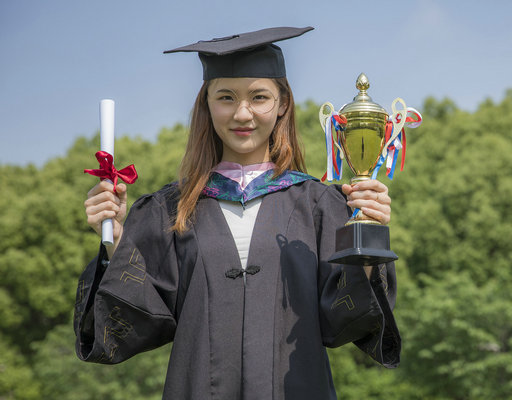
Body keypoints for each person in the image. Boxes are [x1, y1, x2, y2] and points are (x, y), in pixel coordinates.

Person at [75, 26, 401, 399]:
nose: (242, 113)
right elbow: (136, 322)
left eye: (259, 97)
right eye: (226, 97)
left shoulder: (319, 206)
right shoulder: (169, 209)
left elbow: (344, 321)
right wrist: (116, 238)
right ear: (207, 104)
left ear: (282, 105)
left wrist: (368, 236)